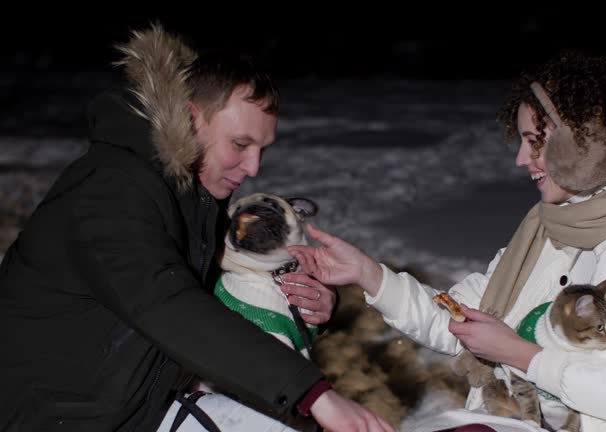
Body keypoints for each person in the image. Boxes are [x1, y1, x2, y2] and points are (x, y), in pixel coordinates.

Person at [286, 52, 606, 431]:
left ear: (584, 143)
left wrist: (521, 355)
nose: (520, 159)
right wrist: (369, 274)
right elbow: (460, 321)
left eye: (536, 141)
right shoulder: (549, 226)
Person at [0, 24, 393, 432]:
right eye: (240, 145)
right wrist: (310, 392)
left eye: (263, 150)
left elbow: (224, 299)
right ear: (190, 118)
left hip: (139, 404)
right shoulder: (109, 192)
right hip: (54, 418)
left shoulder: (194, 192)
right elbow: (171, 305)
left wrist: (313, 307)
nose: (254, 168)